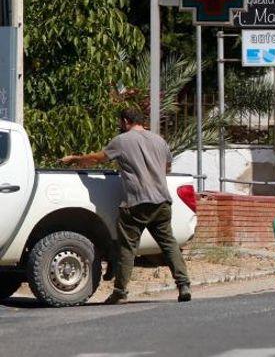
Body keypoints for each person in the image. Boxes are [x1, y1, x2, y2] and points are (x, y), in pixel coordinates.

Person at [61, 108, 191, 304]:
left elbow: (99, 158)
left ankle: (120, 292)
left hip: (136, 203)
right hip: (162, 201)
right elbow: (167, 167)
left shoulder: (122, 141)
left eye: (120, 122)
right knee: (168, 244)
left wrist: (75, 159)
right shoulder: (159, 140)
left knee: (127, 248)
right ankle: (183, 284)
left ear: (125, 121)